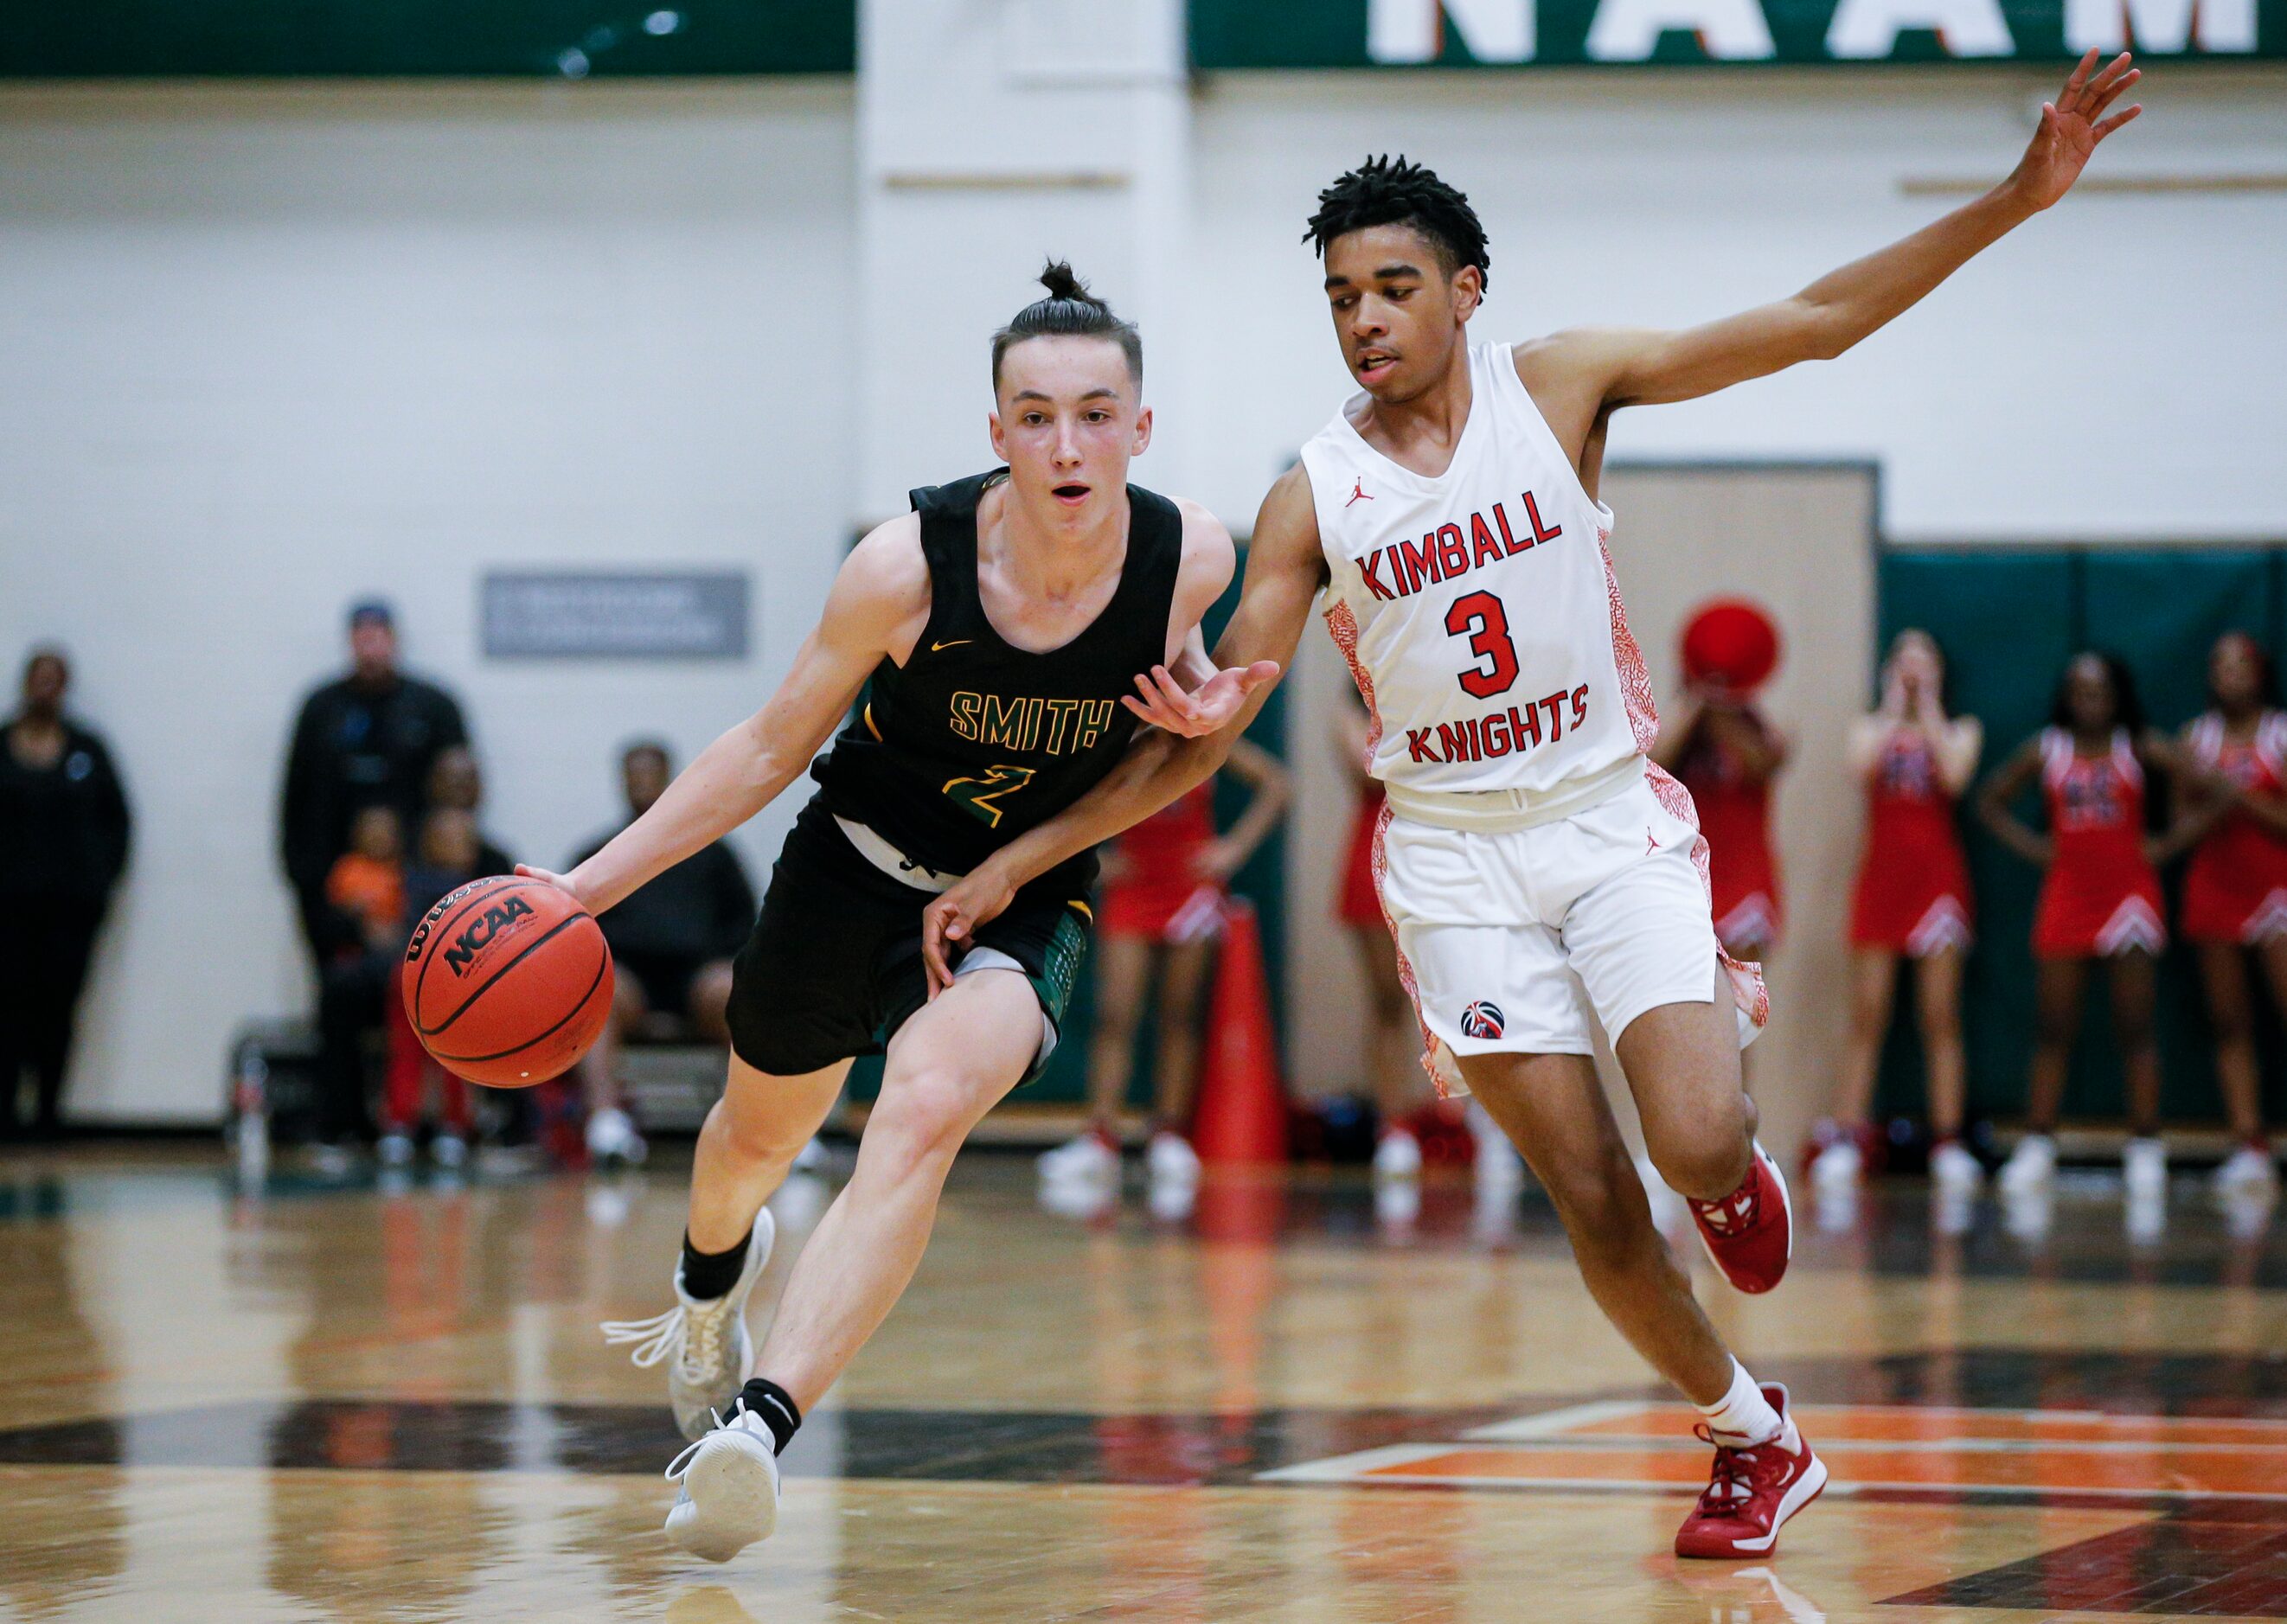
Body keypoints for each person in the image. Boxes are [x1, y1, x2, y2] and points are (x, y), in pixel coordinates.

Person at [923, 57, 2142, 1562]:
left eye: (1389, 286)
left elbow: (1813, 326)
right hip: (1446, 857)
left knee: (1690, 1140)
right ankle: (1751, 1437)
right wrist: (1019, 854)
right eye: (1338, 298)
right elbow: (1203, 728)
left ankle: (1731, 1172)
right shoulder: (1308, 495)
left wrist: (2013, 199)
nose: (1362, 318)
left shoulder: (1554, 385)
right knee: (1582, 1188)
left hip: (1601, 812)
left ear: (1463, 289)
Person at [526, 265, 1238, 1562]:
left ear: (1143, 428)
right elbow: (765, 747)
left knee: (920, 1105)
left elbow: (1176, 745)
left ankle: (755, 1427)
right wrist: (579, 894)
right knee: (751, 1143)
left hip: (1022, 897)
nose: (1065, 444)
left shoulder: (1191, 556)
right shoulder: (904, 568)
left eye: (1094, 413)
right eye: (1034, 415)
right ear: (995, 433)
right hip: (851, 868)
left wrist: (1179, 711)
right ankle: (706, 1294)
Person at [1981, 651, 2194, 1201]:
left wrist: (2166, 843)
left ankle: (2145, 1145)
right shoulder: (2046, 749)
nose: (2087, 701)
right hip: (2068, 896)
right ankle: (2037, 1145)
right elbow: (1990, 801)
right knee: (2052, 1027)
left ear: (2118, 696)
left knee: (2136, 1027)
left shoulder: (2138, 746)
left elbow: (2213, 788)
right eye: (2078, 690)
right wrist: (2038, 849)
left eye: (2098, 690)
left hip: (2129, 898)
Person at [1035, 738, 1287, 1197]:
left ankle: (1168, 1134)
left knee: (1180, 1015)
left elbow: (1277, 783)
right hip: (1132, 887)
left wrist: (1232, 849)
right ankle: (1101, 1136)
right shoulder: (1119, 739)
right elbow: (1057, 795)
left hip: (1189, 887)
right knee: (1115, 1015)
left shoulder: (1208, 736)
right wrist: (1093, 860)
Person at [1813, 630, 1982, 1195]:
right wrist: (1892, 708)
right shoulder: (1870, 728)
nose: (1912, 667)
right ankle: (1845, 1139)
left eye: (1924, 658)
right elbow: (1859, 768)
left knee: (1941, 1016)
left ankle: (1949, 1143)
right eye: (1902, 658)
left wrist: (1928, 706)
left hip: (1937, 885)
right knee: (1868, 1015)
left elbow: (1955, 777)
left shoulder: (1961, 729)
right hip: (1880, 883)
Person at [568, 740, 761, 1168]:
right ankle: (606, 1125)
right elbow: (574, 932)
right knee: (596, 994)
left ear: (670, 779)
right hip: (631, 979)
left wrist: (721, 964)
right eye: (633, 775)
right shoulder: (598, 853)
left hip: (697, 979)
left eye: (650, 774)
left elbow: (746, 925)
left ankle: (753, 1126)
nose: (642, 783)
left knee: (733, 990)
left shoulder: (712, 851)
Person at [279, 600, 469, 964]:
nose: (371, 647)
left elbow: (459, 794)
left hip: (418, 874)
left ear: (395, 640)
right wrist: (301, 873)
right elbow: (295, 795)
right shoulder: (322, 709)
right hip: (332, 876)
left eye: (378, 636)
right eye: (361, 637)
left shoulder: (433, 707)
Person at [0, 648, 131, 1140]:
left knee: (57, 1009)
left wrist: (100, 882)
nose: (45, 688)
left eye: (55, 680)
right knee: (8, 1008)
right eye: (39, 678)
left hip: (68, 909)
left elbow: (118, 821)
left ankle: (48, 1114)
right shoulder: (4, 746)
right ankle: (6, 1114)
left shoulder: (86, 749)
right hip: (9, 908)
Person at [2174, 631, 2287, 1194]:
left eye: (2241, 665)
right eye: (2220, 666)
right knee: (2230, 1021)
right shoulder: (2194, 739)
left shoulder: (2279, 733)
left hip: (2275, 888)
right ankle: (2248, 1142)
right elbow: (2177, 831)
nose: (2230, 675)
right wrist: (2211, 799)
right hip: (2214, 888)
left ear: (2261, 673)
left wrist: (2234, 794)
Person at [378, 808, 483, 1168]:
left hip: (463, 983)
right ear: (430, 844)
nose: (459, 846)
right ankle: (399, 1121)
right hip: (413, 979)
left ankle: (454, 1125)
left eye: (466, 840)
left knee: (459, 1057)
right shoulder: (413, 881)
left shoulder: (482, 885)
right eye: (449, 838)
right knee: (406, 1052)